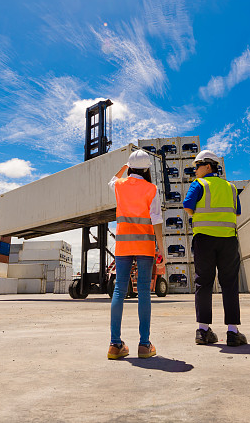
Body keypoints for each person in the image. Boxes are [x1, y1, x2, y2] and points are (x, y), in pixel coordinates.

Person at [183, 149, 247, 347]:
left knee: (203, 282)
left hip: (204, 240)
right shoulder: (231, 187)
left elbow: (187, 206)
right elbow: (236, 212)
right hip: (227, 240)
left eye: (197, 166)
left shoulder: (199, 184)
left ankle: (203, 331)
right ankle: (233, 332)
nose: (195, 170)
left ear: (208, 166)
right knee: (229, 283)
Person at [107, 149, 165, 359]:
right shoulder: (151, 189)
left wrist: (125, 166)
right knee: (143, 292)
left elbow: (113, 179)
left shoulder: (119, 186)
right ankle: (144, 344)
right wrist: (161, 248)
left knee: (119, 291)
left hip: (123, 246)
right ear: (147, 168)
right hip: (144, 247)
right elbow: (156, 220)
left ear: (130, 167)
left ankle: (115, 345)